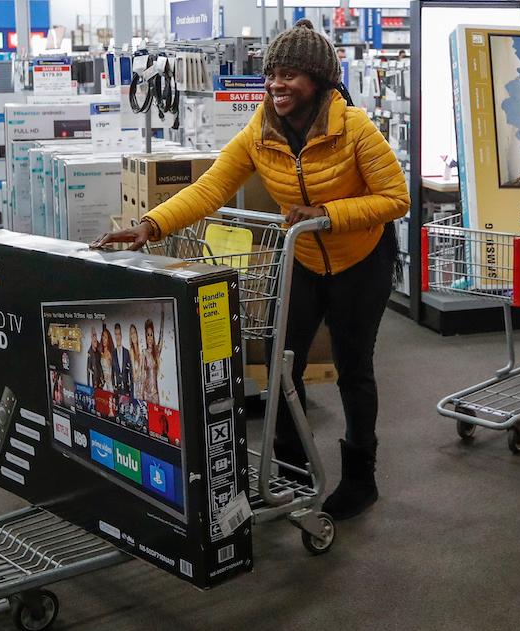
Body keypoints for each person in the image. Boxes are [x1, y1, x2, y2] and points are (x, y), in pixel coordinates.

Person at [93, 19, 410, 520]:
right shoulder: (260, 129)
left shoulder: (354, 128)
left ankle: (360, 478)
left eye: (290, 75)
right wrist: (150, 225)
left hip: (360, 261)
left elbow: (396, 198)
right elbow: (211, 188)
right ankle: (291, 467)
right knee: (282, 361)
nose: (277, 85)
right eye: (272, 75)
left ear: (320, 81)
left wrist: (329, 215)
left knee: (354, 369)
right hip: (303, 258)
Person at [113, 322, 133, 397]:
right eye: (116, 334)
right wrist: (113, 386)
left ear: (121, 335)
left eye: (119, 334)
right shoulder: (113, 353)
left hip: (126, 389)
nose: (117, 337)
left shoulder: (126, 352)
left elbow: (130, 372)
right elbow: (112, 372)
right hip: (117, 390)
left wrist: (131, 388)